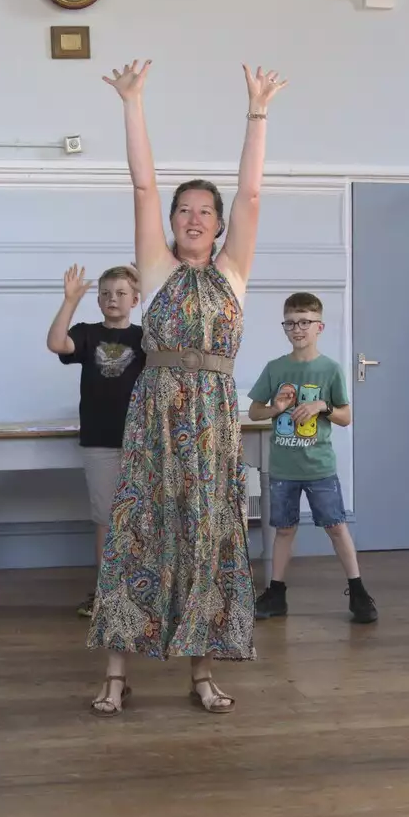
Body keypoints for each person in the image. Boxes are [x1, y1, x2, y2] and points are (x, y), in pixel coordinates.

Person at [87, 59, 286, 717]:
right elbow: (142, 185)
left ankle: (202, 670)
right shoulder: (155, 264)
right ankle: (117, 673)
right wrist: (133, 103)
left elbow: (252, 195)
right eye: (185, 210)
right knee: (138, 531)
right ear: (172, 222)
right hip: (156, 414)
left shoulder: (232, 272)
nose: (194, 217)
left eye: (206, 211)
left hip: (214, 416)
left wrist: (257, 113)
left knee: (207, 535)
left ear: (220, 225)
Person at [247, 292, 376, 623]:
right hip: (283, 467)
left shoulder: (330, 369)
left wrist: (323, 407)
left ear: (319, 327)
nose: (297, 329)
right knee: (283, 529)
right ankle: (276, 593)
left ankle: (358, 591)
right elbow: (255, 410)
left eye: (304, 323)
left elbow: (346, 416)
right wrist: (275, 408)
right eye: (290, 323)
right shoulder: (276, 368)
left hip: (319, 467)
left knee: (335, 526)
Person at [46, 263, 144, 617]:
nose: (112, 299)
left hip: (141, 443)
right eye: (105, 293)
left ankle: (138, 591)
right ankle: (108, 594)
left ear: (135, 299)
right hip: (100, 442)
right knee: (106, 518)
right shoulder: (87, 333)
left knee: (138, 520)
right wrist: (70, 300)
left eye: (120, 293)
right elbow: (56, 342)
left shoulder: (145, 338)